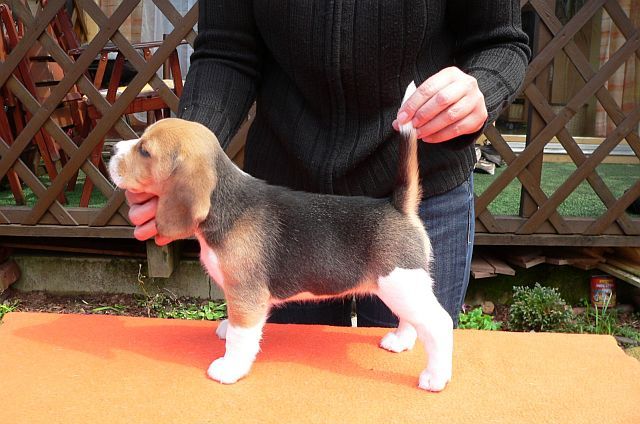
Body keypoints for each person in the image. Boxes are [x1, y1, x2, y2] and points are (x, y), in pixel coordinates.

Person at [126, 0, 530, 328]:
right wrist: (185, 163)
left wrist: (484, 85)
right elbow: (226, 51)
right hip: (282, 213)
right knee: (288, 387)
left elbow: (501, 41)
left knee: (410, 375)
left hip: (416, 194)